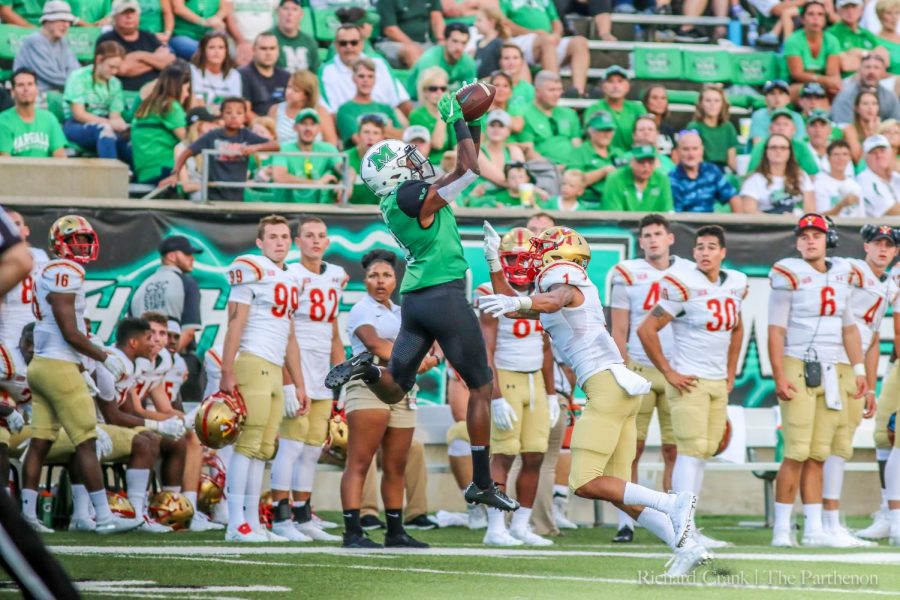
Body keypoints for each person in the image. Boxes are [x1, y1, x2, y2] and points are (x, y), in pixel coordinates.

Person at [478, 224, 706, 577]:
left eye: (544, 246)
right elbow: (513, 309)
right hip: (618, 387)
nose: (535, 252)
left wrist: (516, 299)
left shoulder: (563, 275)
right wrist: (494, 261)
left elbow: (553, 300)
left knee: (584, 482)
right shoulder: (552, 282)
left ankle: (673, 502)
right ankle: (688, 547)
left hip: (605, 388)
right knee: (618, 492)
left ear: (562, 253)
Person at [325, 91, 515, 512]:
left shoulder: (397, 200)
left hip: (415, 300)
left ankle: (367, 369)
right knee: (482, 386)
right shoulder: (410, 195)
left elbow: (469, 162)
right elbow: (470, 173)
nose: (416, 162)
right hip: (443, 296)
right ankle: (482, 482)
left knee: (394, 389)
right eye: (407, 160)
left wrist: (471, 120)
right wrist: (456, 123)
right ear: (396, 172)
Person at [20, 215, 142, 535]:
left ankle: (28, 517)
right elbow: (70, 332)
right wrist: (103, 358)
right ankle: (103, 517)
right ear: (59, 243)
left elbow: (71, 329)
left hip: (45, 365)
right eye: (76, 240)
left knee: (40, 442)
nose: (83, 246)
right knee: (87, 441)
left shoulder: (53, 270)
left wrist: (85, 362)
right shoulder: (64, 270)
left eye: (86, 240)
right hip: (58, 366)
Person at [638, 225, 747, 550]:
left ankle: (690, 527)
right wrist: (669, 371)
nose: (704, 252)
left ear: (723, 252)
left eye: (711, 247)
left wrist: (730, 372)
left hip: (715, 380)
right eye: (699, 247)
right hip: (690, 379)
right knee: (689, 451)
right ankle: (682, 530)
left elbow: (737, 327)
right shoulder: (683, 284)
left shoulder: (736, 283)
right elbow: (647, 329)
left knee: (704, 451)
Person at [768, 213, 867, 548]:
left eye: (817, 235)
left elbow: (849, 326)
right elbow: (776, 330)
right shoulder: (788, 273)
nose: (811, 241)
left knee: (818, 453)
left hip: (830, 368)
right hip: (798, 363)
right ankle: (782, 528)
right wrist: (779, 374)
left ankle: (813, 529)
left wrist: (860, 370)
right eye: (805, 236)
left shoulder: (842, 273)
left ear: (829, 240)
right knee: (796, 451)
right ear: (797, 242)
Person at [219, 215, 308, 543]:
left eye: (285, 236)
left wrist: (297, 383)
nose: (280, 242)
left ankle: (252, 521)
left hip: (273, 367)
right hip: (253, 360)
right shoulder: (251, 267)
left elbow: (290, 337)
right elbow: (235, 323)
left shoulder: (291, 277)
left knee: (263, 448)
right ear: (260, 242)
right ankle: (235, 523)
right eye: (272, 237)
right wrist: (227, 370)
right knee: (248, 444)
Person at [339, 249, 435, 548]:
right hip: (368, 386)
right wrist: (416, 360)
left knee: (396, 464)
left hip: (404, 389)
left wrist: (427, 359)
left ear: (396, 279)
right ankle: (353, 532)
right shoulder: (362, 310)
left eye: (387, 275)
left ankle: (395, 531)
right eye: (373, 276)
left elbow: (432, 345)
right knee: (360, 461)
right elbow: (374, 344)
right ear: (365, 280)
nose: (380, 281)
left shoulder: (402, 311)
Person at [476, 227, 556, 547]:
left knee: (534, 455)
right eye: (513, 258)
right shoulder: (488, 289)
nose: (520, 265)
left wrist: (551, 393)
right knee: (504, 454)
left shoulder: (543, 290)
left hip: (535, 378)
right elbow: (486, 349)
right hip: (505, 375)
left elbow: (547, 346)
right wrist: (495, 396)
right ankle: (495, 526)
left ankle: (521, 524)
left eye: (525, 258)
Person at [269, 217, 347, 543]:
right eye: (309, 236)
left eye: (321, 236)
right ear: (297, 241)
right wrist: (289, 380)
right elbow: (281, 332)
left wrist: (342, 378)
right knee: (291, 446)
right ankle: (279, 517)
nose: (316, 241)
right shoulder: (289, 275)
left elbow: (333, 333)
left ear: (327, 242)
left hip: (321, 376)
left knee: (313, 449)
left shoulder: (334, 276)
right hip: (297, 370)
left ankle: (303, 515)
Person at [608, 215, 685, 543]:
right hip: (638, 367)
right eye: (647, 235)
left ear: (670, 238)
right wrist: (620, 367)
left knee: (674, 450)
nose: (653, 240)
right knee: (631, 448)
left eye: (658, 234)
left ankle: (676, 515)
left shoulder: (687, 273)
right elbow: (620, 327)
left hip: (676, 368)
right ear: (640, 241)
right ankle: (628, 519)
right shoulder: (627, 273)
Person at [821, 225, 898, 546]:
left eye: (889, 245)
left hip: (855, 367)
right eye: (877, 243)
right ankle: (821, 521)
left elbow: (874, 334)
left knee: (842, 442)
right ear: (865, 246)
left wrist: (868, 382)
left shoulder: (887, 283)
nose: (883, 249)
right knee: (820, 445)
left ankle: (830, 522)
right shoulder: (849, 269)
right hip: (832, 359)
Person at [161, 97, 280, 201]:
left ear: (245, 117)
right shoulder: (212, 136)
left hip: (238, 195)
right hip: (214, 195)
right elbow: (186, 152)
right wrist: (175, 174)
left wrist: (256, 147)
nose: (233, 116)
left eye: (239, 113)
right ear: (222, 115)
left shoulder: (246, 135)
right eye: (229, 113)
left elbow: (277, 145)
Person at [130, 235, 203, 357]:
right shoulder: (186, 282)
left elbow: (133, 333)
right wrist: (169, 362)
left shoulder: (142, 286)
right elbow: (189, 332)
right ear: (172, 256)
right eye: (187, 254)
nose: (192, 258)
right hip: (177, 361)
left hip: (143, 363)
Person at [500, 0, 591, 97]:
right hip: (519, 40)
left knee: (580, 42)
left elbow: (556, 20)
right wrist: (532, 32)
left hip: (546, 39)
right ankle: (554, 89)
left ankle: (578, 92)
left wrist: (556, 34)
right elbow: (503, 23)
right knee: (547, 41)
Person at [319, 24, 412, 117]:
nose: (349, 47)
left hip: (385, 120)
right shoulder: (327, 72)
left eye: (353, 42)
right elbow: (331, 114)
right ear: (336, 45)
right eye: (343, 43)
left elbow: (400, 100)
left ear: (361, 44)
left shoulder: (379, 63)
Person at [62, 41, 130, 162]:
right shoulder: (78, 77)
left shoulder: (115, 83)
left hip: (104, 120)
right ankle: (110, 173)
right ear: (99, 59)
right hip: (77, 124)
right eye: (111, 67)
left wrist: (118, 123)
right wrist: (108, 123)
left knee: (129, 136)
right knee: (105, 130)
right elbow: (78, 114)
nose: (114, 72)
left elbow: (115, 115)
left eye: (117, 68)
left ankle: (136, 176)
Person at [96, 0, 176, 93]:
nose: (129, 17)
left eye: (132, 12)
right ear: (114, 17)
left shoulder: (149, 36)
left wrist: (138, 56)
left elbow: (169, 62)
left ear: (138, 16)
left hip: (156, 92)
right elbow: (121, 68)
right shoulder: (107, 40)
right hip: (123, 93)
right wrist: (155, 61)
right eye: (124, 13)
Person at [131, 65, 191, 185]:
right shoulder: (171, 106)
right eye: (186, 89)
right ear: (177, 87)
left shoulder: (146, 105)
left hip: (144, 172)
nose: (187, 95)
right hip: (165, 169)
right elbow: (190, 142)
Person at [271, 109, 343, 204]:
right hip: (288, 210)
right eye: (304, 123)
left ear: (319, 128)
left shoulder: (328, 149)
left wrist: (346, 181)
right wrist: (316, 183)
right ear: (295, 127)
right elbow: (279, 177)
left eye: (313, 124)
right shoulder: (285, 148)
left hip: (318, 212)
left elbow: (344, 168)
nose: (308, 128)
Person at [0, 212, 48, 351]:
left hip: (36, 323)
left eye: (16, 224)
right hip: (9, 326)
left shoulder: (41, 255)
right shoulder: (5, 259)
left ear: (26, 230)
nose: (13, 229)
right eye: (9, 225)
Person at [516, 70, 581, 167]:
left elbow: (577, 145)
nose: (557, 94)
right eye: (551, 90)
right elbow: (529, 152)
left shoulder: (569, 113)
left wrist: (575, 166)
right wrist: (553, 169)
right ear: (537, 91)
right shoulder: (523, 114)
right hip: (542, 169)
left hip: (572, 168)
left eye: (559, 89)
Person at [336, 58, 405, 149]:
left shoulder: (385, 108)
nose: (366, 80)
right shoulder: (345, 110)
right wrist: (387, 130)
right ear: (354, 78)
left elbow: (402, 138)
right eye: (361, 76)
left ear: (375, 79)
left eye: (370, 76)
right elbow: (359, 141)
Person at [12, 1, 80, 93]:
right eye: (62, 20)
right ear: (48, 21)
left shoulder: (63, 41)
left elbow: (75, 69)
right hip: (38, 96)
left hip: (62, 91)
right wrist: (78, 84)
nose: (66, 25)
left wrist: (79, 82)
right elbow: (52, 77)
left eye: (68, 22)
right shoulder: (34, 41)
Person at [741, 133, 815, 214]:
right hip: (766, 225)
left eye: (783, 148)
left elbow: (810, 210)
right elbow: (749, 211)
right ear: (766, 151)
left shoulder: (801, 176)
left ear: (790, 152)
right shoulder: (754, 179)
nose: (778, 151)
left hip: (798, 224)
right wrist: (779, 220)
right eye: (773, 147)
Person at [0, 69, 67, 159]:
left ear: (37, 90)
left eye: (30, 84)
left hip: (46, 172)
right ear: (12, 92)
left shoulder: (49, 119)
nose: (26, 89)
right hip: (15, 172)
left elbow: (61, 159)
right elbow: (4, 164)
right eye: (20, 85)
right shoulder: (3, 121)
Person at [669, 132, 740, 213]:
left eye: (695, 148)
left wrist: (738, 224)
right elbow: (675, 215)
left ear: (701, 150)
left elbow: (733, 197)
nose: (691, 154)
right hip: (684, 224)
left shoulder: (711, 171)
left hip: (710, 223)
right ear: (678, 152)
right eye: (686, 149)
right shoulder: (672, 178)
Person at [784, 0, 843, 98]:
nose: (815, 18)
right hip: (795, 85)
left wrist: (830, 82)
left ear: (825, 20)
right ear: (803, 19)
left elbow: (831, 73)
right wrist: (824, 80)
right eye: (810, 14)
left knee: (837, 90)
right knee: (805, 91)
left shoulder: (832, 40)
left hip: (823, 85)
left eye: (820, 14)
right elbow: (797, 74)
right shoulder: (793, 41)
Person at [465, 109, 525, 204]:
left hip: (505, 203)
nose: (496, 129)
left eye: (501, 126)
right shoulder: (477, 151)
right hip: (481, 203)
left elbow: (521, 180)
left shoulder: (513, 150)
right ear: (486, 129)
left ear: (508, 131)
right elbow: (503, 180)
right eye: (492, 125)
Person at [405, 23, 477, 101]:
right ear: (445, 40)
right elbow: (425, 94)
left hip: (443, 100)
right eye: (455, 41)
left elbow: (470, 93)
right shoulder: (429, 60)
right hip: (415, 99)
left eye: (463, 43)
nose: (459, 47)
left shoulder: (468, 63)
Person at [582, 66, 644, 154]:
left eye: (620, 81)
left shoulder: (637, 108)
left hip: (634, 157)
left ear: (628, 86)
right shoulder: (594, 109)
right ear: (603, 86)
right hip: (604, 158)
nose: (615, 86)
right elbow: (589, 138)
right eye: (610, 81)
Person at [267, 70, 336, 147]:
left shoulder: (320, 112)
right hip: (282, 157)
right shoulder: (275, 110)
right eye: (289, 87)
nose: (289, 92)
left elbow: (331, 144)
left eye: (295, 90)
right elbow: (268, 140)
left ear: (306, 95)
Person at [747, 109, 821, 176]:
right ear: (770, 129)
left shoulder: (801, 146)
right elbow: (751, 174)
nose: (781, 128)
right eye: (777, 124)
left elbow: (812, 174)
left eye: (785, 124)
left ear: (793, 129)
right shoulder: (760, 147)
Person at [601, 146, 673, 212]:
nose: (646, 166)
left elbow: (667, 211)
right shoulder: (615, 179)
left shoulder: (662, 180)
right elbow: (613, 215)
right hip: (622, 225)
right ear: (631, 162)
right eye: (641, 161)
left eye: (651, 162)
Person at [832, 54, 900, 124]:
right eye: (867, 67)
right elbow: (843, 126)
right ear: (859, 70)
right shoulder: (846, 95)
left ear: (883, 72)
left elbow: (896, 125)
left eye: (876, 68)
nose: (871, 71)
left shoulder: (890, 97)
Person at [376, 0, 444, 68]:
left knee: (448, 48)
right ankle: (422, 78)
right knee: (412, 52)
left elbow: (436, 18)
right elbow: (390, 30)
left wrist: (441, 40)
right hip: (393, 43)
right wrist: (413, 45)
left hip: (424, 42)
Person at [686, 85, 738, 172]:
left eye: (716, 101)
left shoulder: (729, 127)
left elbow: (732, 161)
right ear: (701, 104)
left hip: (723, 172)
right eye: (708, 100)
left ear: (722, 104)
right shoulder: (693, 127)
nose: (712, 105)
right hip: (701, 171)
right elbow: (694, 159)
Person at [571, 112, 616, 207]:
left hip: (614, 201)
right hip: (586, 202)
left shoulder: (618, 153)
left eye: (609, 130)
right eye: (601, 130)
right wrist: (603, 172)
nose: (606, 134)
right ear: (590, 131)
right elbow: (573, 181)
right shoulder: (580, 152)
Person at [408, 67, 453, 163]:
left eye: (443, 88)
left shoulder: (452, 113)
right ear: (424, 91)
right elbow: (438, 144)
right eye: (433, 89)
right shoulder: (416, 115)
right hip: (428, 166)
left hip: (451, 164)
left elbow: (458, 146)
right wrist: (442, 111)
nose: (439, 92)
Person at [240, 33, 290, 117]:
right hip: (255, 127)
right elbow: (245, 111)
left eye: (272, 48)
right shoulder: (242, 75)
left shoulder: (286, 76)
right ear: (254, 50)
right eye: (263, 49)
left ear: (278, 50)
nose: (268, 53)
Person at [830, 0, 887, 74]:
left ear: (861, 10)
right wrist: (873, 59)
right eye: (846, 7)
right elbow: (846, 65)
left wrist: (862, 53)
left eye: (854, 7)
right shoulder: (832, 33)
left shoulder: (867, 33)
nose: (850, 11)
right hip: (845, 82)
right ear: (838, 10)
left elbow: (885, 61)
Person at [190, 31, 243, 108]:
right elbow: (196, 103)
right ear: (203, 51)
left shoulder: (234, 75)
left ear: (226, 51)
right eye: (211, 47)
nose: (216, 52)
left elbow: (235, 105)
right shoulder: (193, 71)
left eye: (221, 48)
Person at [814, 140, 865, 216]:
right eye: (836, 154)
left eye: (845, 154)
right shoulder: (819, 184)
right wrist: (841, 205)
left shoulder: (855, 186)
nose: (841, 158)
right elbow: (820, 218)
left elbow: (861, 216)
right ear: (828, 158)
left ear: (850, 158)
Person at [750, 80, 806, 146]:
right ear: (766, 99)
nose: (777, 97)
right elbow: (758, 145)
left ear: (788, 99)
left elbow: (799, 144)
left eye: (781, 93)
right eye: (772, 93)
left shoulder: (797, 117)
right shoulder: (758, 115)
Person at [269, 0, 319, 74]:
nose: (289, 13)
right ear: (278, 12)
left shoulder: (309, 41)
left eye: (294, 9)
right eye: (285, 8)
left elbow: (316, 71)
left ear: (301, 14)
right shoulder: (268, 39)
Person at [346, 115, 387, 205]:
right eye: (366, 132)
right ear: (358, 135)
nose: (370, 137)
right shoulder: (345, 158)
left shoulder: (389, 162)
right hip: (349, 214)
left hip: (379, 214)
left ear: (382, 138)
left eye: (375, 133)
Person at [857, 134, 900, 216]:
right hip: (880, 227)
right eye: (873, 152)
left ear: (891, 153)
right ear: (865, 158)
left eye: (882, 150)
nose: (879, 155)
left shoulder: (896, 176)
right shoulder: (863, 180)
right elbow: (893, 210)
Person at [843, 88, 883, 162]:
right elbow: (859, 161)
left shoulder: (883, 128)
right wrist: (872, 134)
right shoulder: (850, 129)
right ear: (857, 108)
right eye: (865, 104)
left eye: (874, 103)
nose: (870, 107)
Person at [642, 84, 677, 159]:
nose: (659, 102)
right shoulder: (640, 127)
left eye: (663, 98)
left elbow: (675, 157)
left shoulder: (669, 129)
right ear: (647, 102)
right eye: (655, 98)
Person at [474, 6, 509, 78]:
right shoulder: (478, 42)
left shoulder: (498, 43)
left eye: (479, 20)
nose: (475, 24)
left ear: (491, 22)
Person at [876, 0, 900, 75]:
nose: (894, 17)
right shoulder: (876, 41)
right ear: (880, 16)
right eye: (889, 13)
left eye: (897, 13)